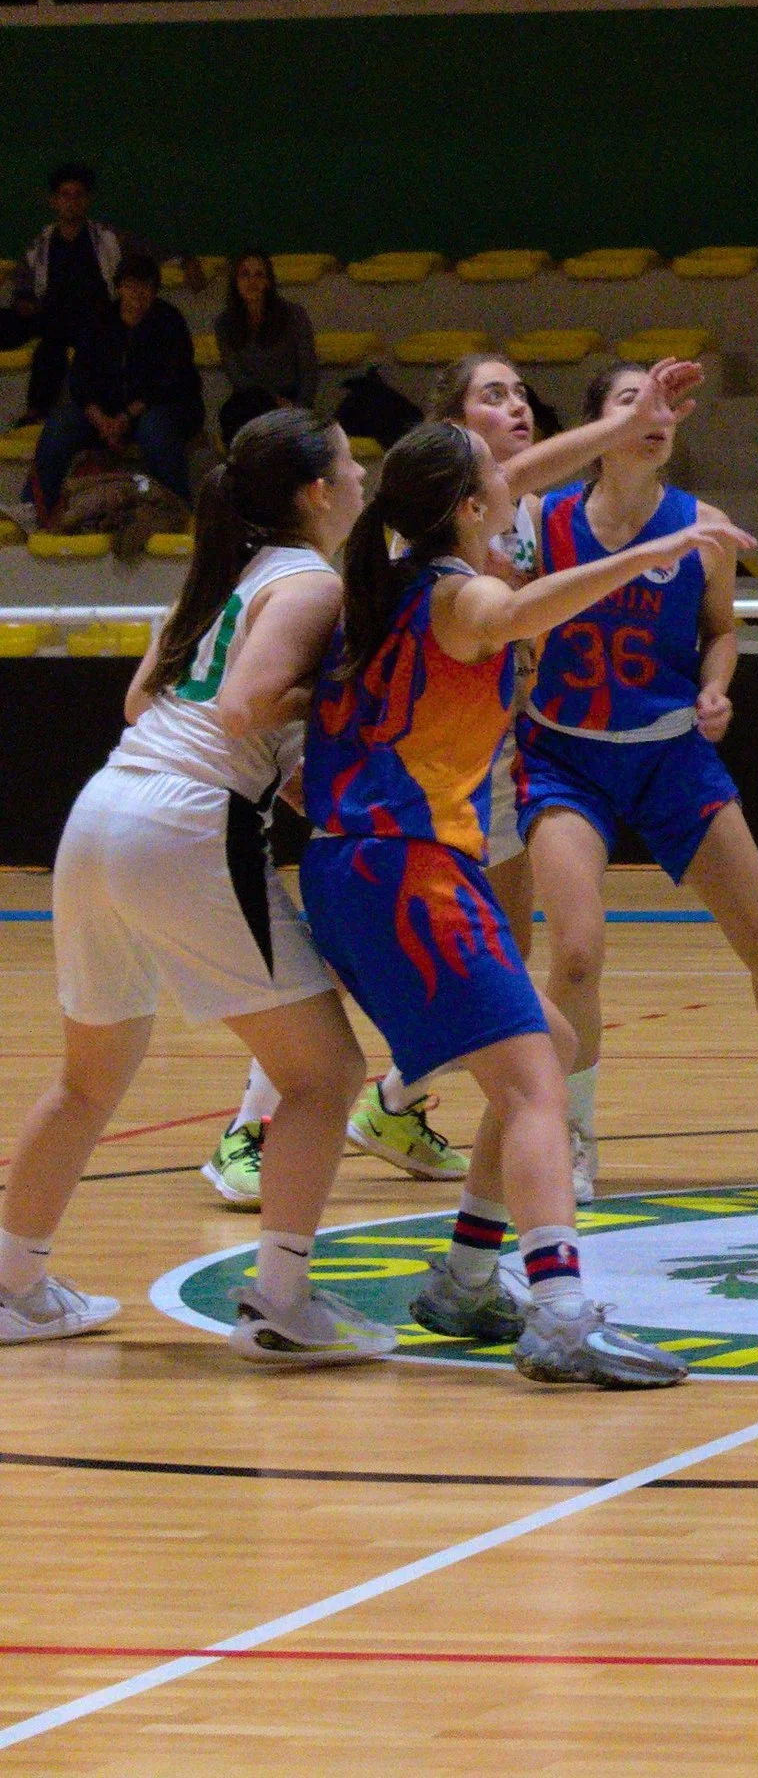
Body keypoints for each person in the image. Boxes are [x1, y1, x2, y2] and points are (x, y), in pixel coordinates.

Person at [202, 346, 709, 1203]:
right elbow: (501, 591)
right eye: (493, 395)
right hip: (411, 782)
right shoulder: (426, 527)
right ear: (451, 430)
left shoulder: (495, 514)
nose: (516, 409)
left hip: (476, 758)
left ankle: (407, 1116)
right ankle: (262, 1126)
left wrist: (622, 430)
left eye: (520, 394)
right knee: (453, 981)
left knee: (489, 974)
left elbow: (530, 475)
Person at [299, 418, 743, 1387]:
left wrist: (616, 431)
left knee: (551, 1045)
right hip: (406, 872)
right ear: (467, 509)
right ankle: (562, 1315)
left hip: (355, 868)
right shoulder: (462, 595)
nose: (510, 480)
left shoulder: (389, 575)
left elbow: (498, 487)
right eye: (490, 477)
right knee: (538, 1081)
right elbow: (514, 613)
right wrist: (649, 554)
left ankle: (464, 1276)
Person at [1, 408, 391, 1365]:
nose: (360, 475)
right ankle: (281, 1305)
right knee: (328, 1073)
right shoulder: (307, 583)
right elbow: (243, 705)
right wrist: (354, 696)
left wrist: (283, 744)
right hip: (186, 822)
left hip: (105, 805)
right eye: (348, 462)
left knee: (87, 1079)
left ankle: (11, 1287)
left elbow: (146, 702)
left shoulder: (225, 575)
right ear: (316, 491)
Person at [519, 360, 758, 1190]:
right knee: (574, 957)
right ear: (599, 427)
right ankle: (575, 1128)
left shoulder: (704, 528)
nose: (656, 416)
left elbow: (719, 630)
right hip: (564, 755)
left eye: (668, 405)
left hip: (672, 752)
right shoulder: (542, 524)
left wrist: (717, 686)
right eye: (631, 402)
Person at [33, 245, 201, 524]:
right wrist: (101, 419)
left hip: (163, 407)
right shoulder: (99, 321)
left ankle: (178, 512)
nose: (138, 295)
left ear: (156, 290)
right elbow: (80, 378)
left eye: (146, 287)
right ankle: (38, 510)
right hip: (106, 412)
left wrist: (127, 415)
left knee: (155, 430)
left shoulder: (169, 322)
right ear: (119, 288)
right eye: (131, 286)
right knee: (59, 427)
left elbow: (171, 380)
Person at [9, 162, 119, 419]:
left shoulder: (106, 238)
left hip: (94, 317)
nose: (72, 202)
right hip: (50, 315)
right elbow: (24, 283)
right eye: (65, 195)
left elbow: (147, 252)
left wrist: (185, 261)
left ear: (88, 200)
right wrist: (24, 301)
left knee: (51, 346)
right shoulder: (41, 244)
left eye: (78, 195)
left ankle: (37, 412)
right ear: (53, 201)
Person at [213, 250, 320, 446]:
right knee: (233, 414)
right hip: (250, 401)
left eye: (259, 275)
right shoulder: (224, 323)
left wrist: (299, 408)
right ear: (235, 282)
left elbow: (309, 370)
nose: (251, 281)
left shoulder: (293, 315)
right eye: (245, 274)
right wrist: (271, 400)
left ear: (268, 282)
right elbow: (237, 377)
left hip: (290, 398)